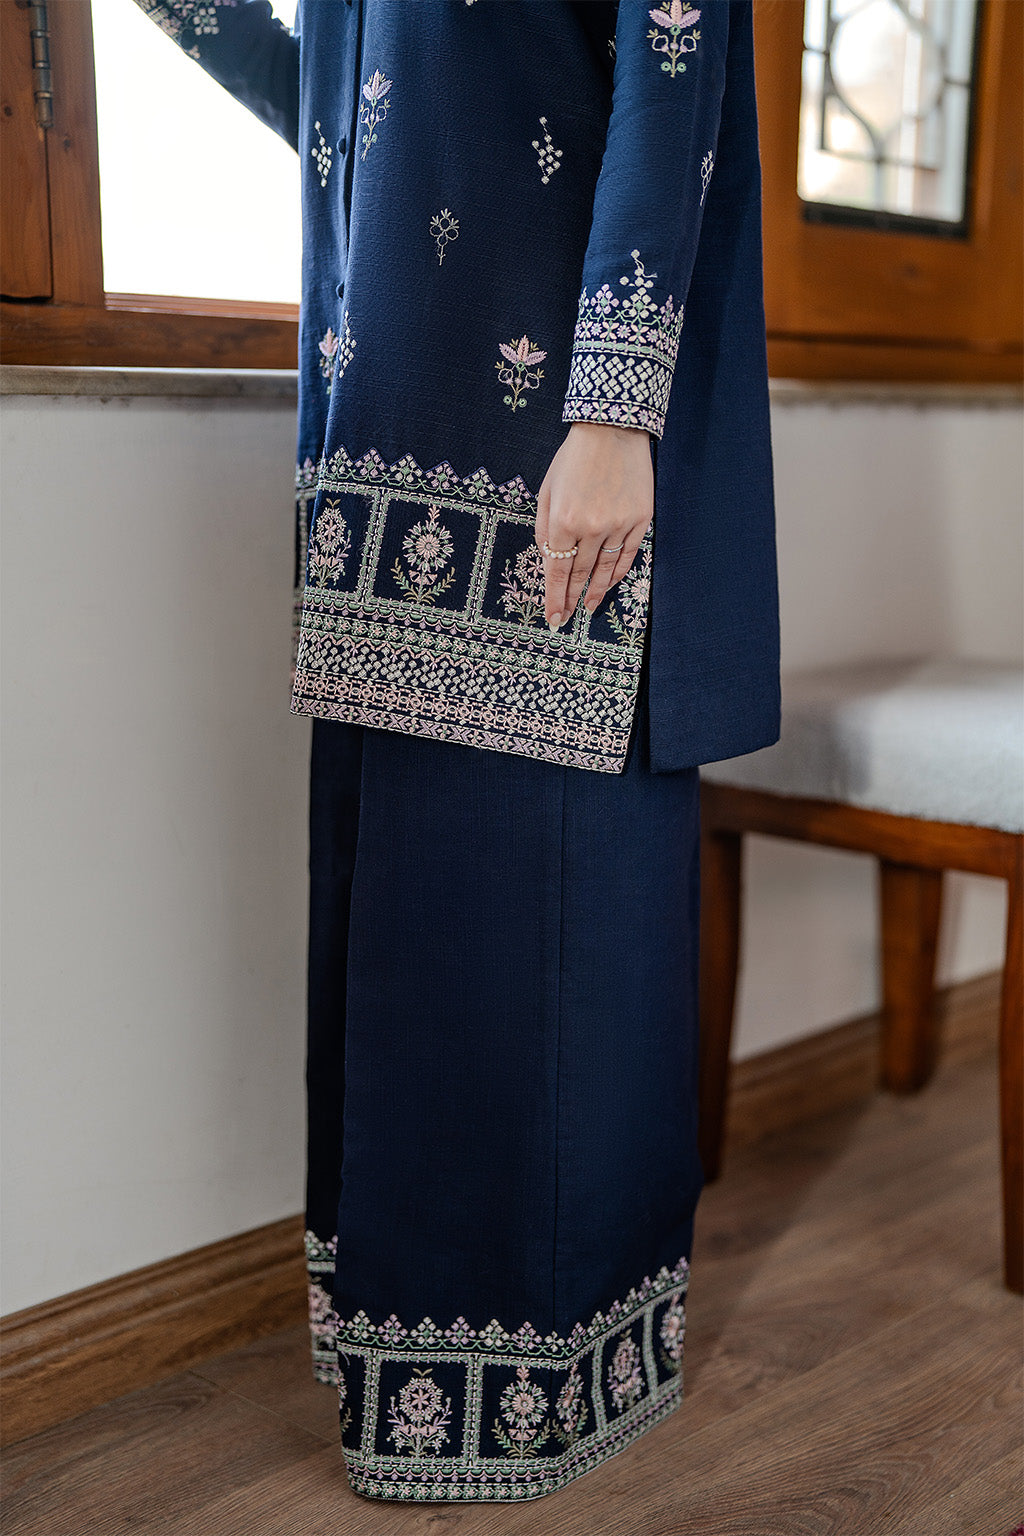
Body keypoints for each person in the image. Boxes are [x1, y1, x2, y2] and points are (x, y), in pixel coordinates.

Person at [133, 0, 780, 1503]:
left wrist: (615, 413)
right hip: (386, 447)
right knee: (407, 961)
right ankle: (401, 1371)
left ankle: (551, 1386)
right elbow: (343, 110)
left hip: (554, 451)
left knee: (546, 937)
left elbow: (670, 66)